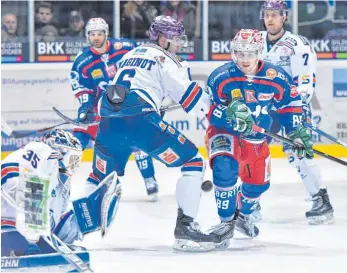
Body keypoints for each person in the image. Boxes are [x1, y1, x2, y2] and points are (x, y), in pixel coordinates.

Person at [87, 15, 219, 251]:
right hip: (141, 121)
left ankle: (73, 228)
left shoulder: (131, 55)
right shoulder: (166, 58)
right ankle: (186, 231)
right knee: (193, 162)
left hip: (109, 121)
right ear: (162, 39)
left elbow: (126, 87)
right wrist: (221, 112)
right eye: (176, 38)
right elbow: (193, 100)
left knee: (98, 176)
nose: (180, 43)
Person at [206, 29, 309, 248]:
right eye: (240, 53)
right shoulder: (220, 77)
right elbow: (208, 110)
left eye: (250, 53)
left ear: (259, 52)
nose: (245, 59)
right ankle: (225, 223)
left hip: (256, 138)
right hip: (226, 133)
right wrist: (227, 116)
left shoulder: (276, 77)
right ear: (233, 53)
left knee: (259, 185)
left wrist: (296, 132)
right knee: (225, 169)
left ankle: (243, 215)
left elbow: (290, 105)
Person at [258, 0, 334, 224]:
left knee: (297, 151)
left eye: (275, 14)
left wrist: (295, 104)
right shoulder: (255, 42)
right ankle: (249, 203)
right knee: (252, 148)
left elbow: (306, 81)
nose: (270, 19)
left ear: (284, 17)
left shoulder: (298, 44)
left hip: (291, 106)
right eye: (267, 14)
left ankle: (321, 199)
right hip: (264, 107)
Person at [70, 17, 160, 201]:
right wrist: (85, 107)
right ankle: (92, 182)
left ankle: (149, 178)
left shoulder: (125, 47)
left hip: (130, 104)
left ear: (106, 34)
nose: (96, 37)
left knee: (138, 143)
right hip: (103, 108)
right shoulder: (82, 61)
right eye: (92, 34)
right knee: (87, 139)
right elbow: (81, 86)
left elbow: (145, 66)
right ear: (87, 36)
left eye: (99, 33)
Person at [1, 129, 92, 271]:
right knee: (35, 184)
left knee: (76, 255)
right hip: (7, 231)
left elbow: (53, 228)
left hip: (29, 238)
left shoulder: (61, 186)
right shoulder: (40, 150)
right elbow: (15, 177)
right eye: (73, 158)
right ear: (60, 151)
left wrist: (81, 223)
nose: (75, 164)